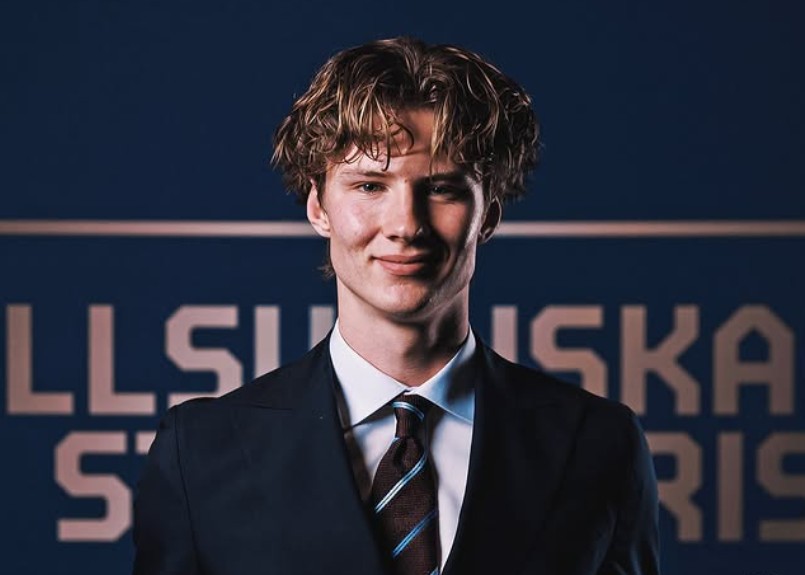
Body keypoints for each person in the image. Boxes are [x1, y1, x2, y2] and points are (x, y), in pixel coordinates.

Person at [132, 36, 660, 575]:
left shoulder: (599, 445)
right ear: (318, 207)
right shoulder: (200, 453)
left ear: (489, 214)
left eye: (442, 189)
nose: (406, 225)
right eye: (369, 186)